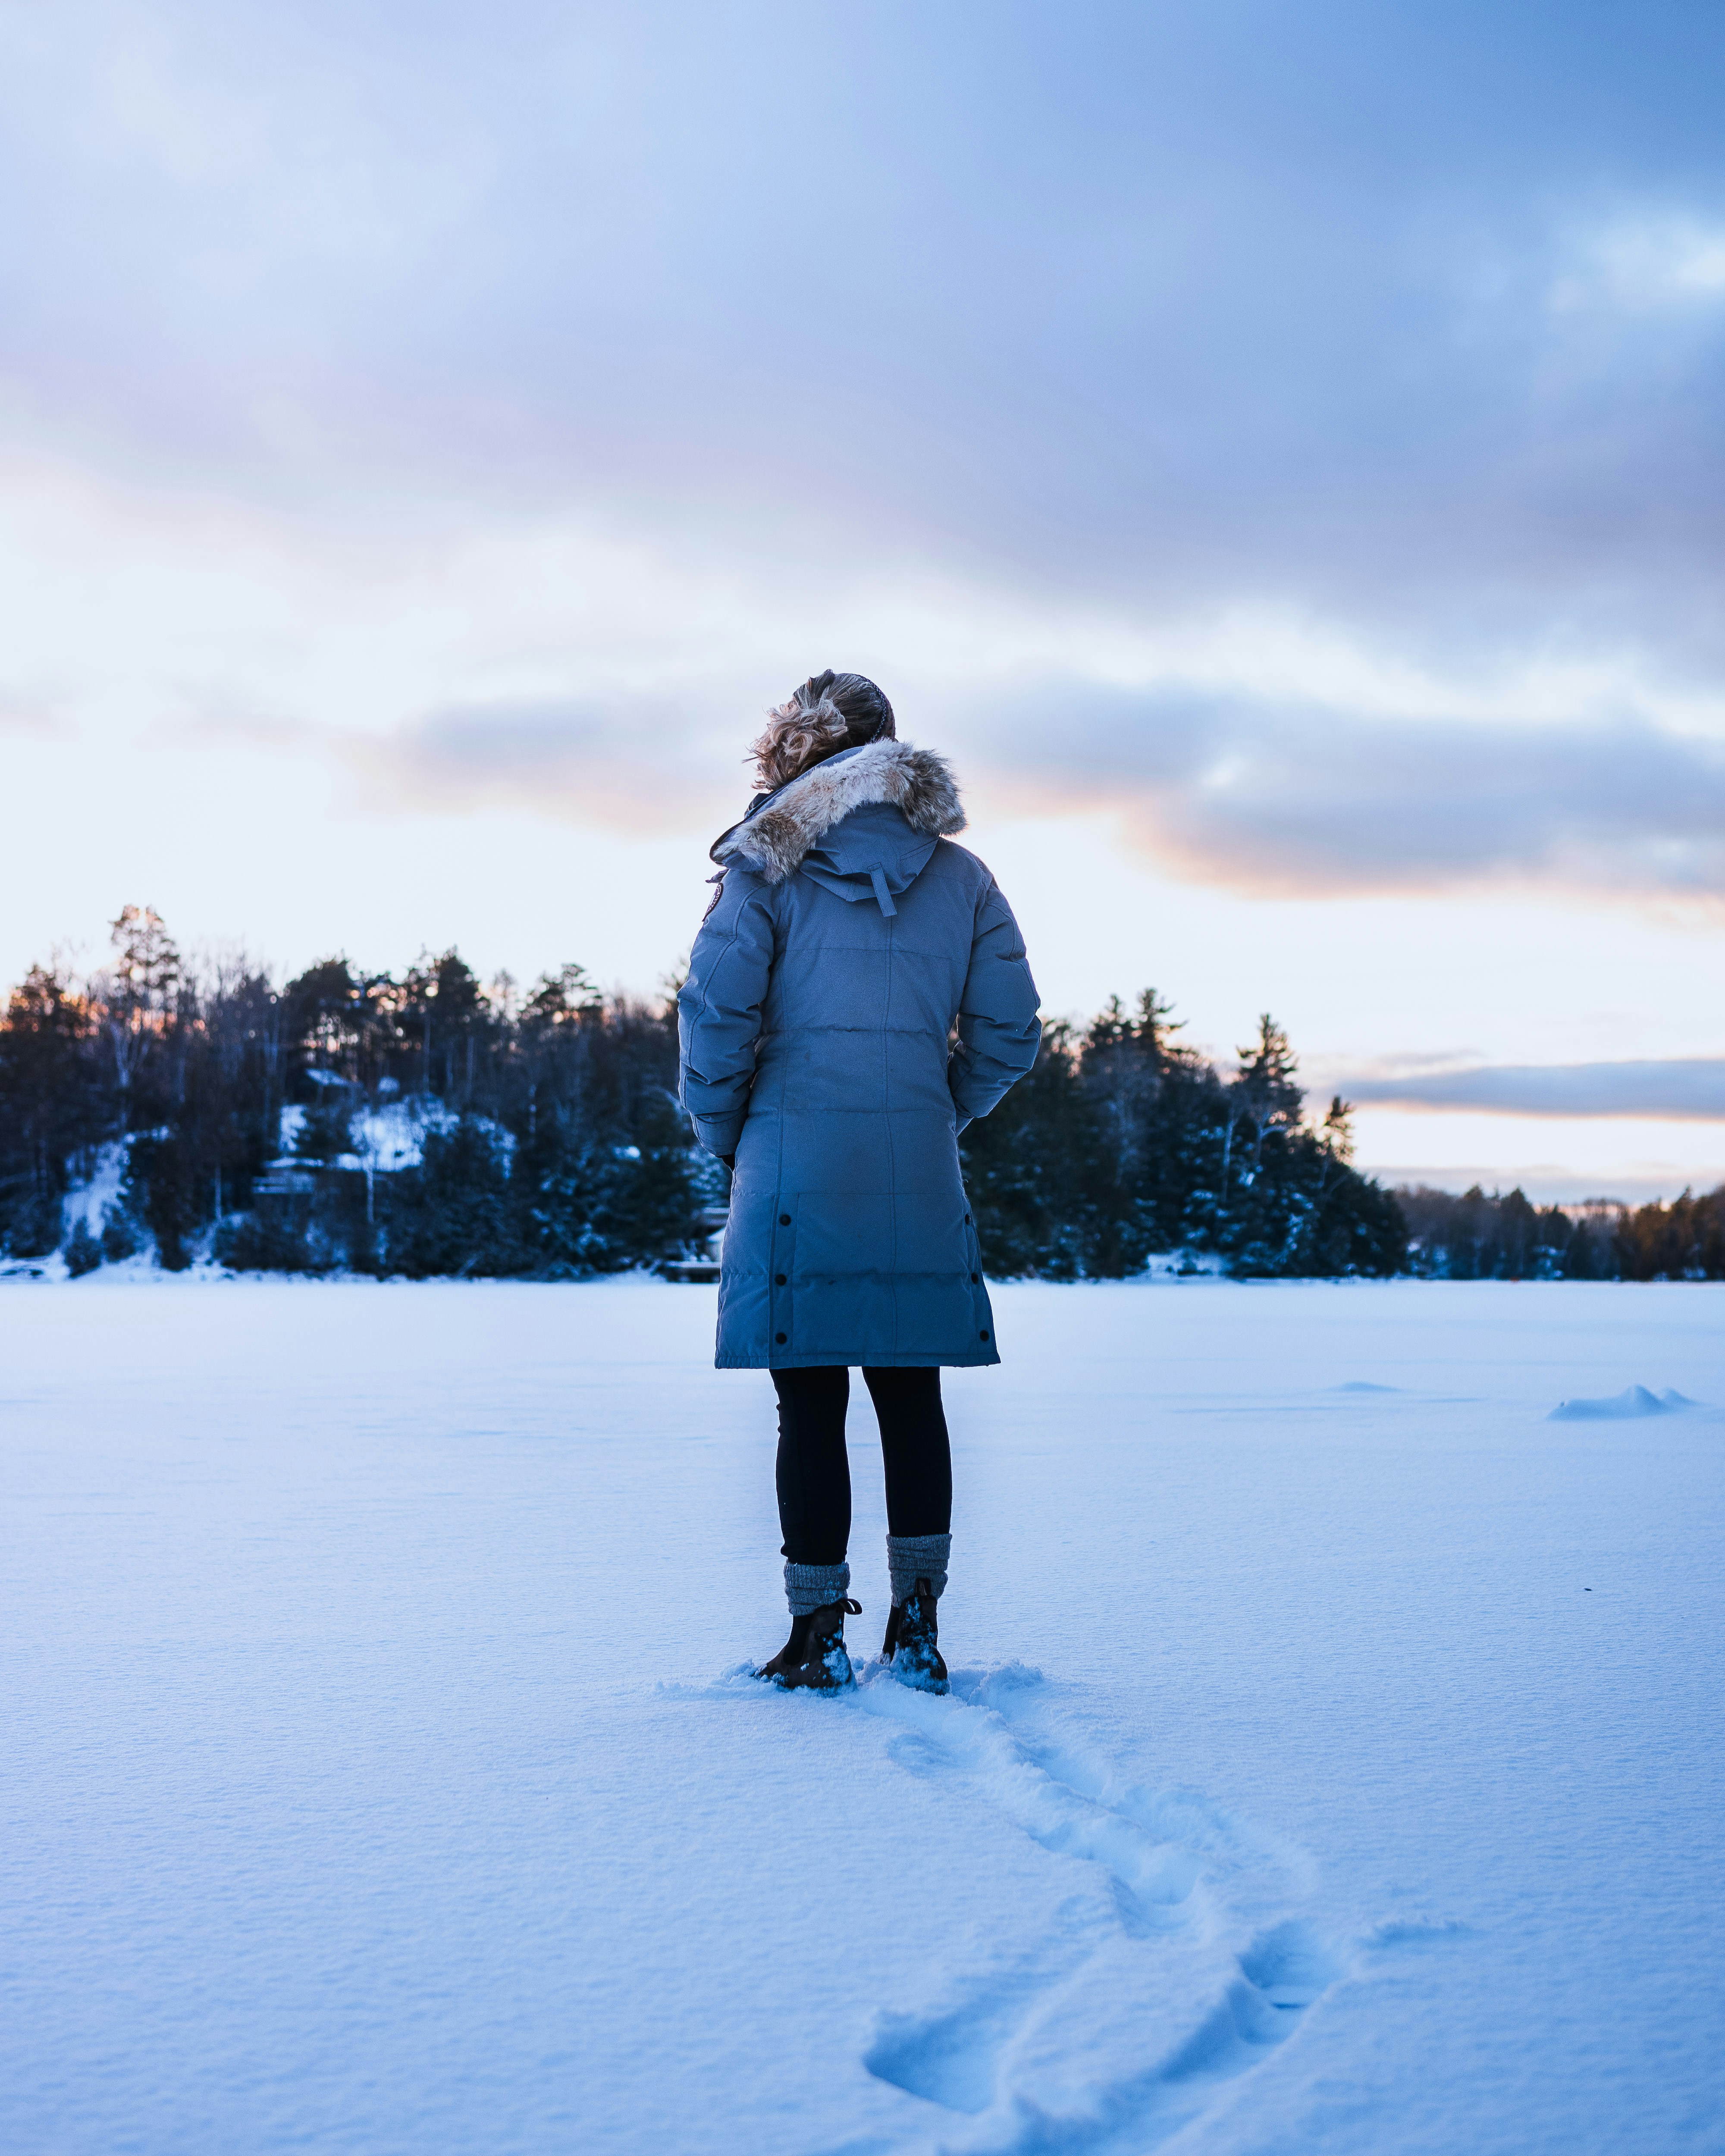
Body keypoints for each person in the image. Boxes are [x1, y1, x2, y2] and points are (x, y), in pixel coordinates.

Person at [677, 670, 1041, 1693]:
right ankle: (917, 1628)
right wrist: (941, 1108)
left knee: (809, 1408)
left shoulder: (764, 867)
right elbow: (1009, 1033)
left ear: (795, 751)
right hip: (914, 1168)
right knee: (910, 1397)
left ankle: (813, 1639)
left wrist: (730, 1132)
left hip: (790, 1164)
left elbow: (713, 1020)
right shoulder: (960, 876)